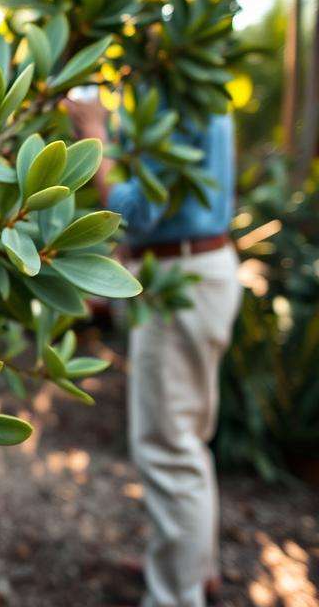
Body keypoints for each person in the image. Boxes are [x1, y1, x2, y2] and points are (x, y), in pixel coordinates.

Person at [67, 96, 241, 607]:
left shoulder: (175, 94)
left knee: (167, 448)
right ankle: (190, 568)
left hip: (178, 279)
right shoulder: (198, 79)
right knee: (185, 439)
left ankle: (175, 595)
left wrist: (95, 136)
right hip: (197, 270)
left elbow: (132, 213)